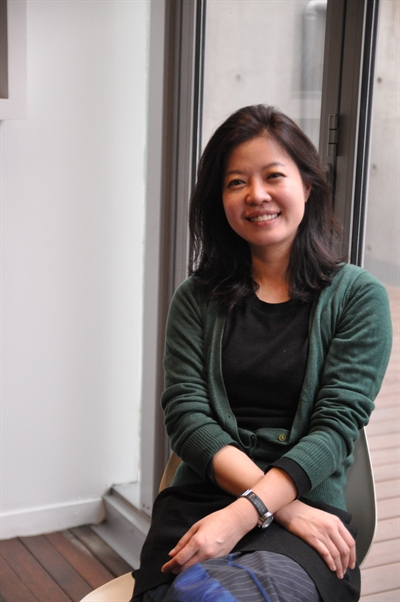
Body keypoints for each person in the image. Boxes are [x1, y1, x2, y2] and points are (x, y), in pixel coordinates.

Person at [132, 105, 392, 602]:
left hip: (309, 514)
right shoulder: (195, 298)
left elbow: (337, 425)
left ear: (307, 185)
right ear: (220, 200)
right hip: (202, 504)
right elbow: (187, 418)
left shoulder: (358, 297)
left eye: (274, 176)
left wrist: (245, 514)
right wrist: (272, 507)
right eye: (236, 182)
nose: (256, 195)